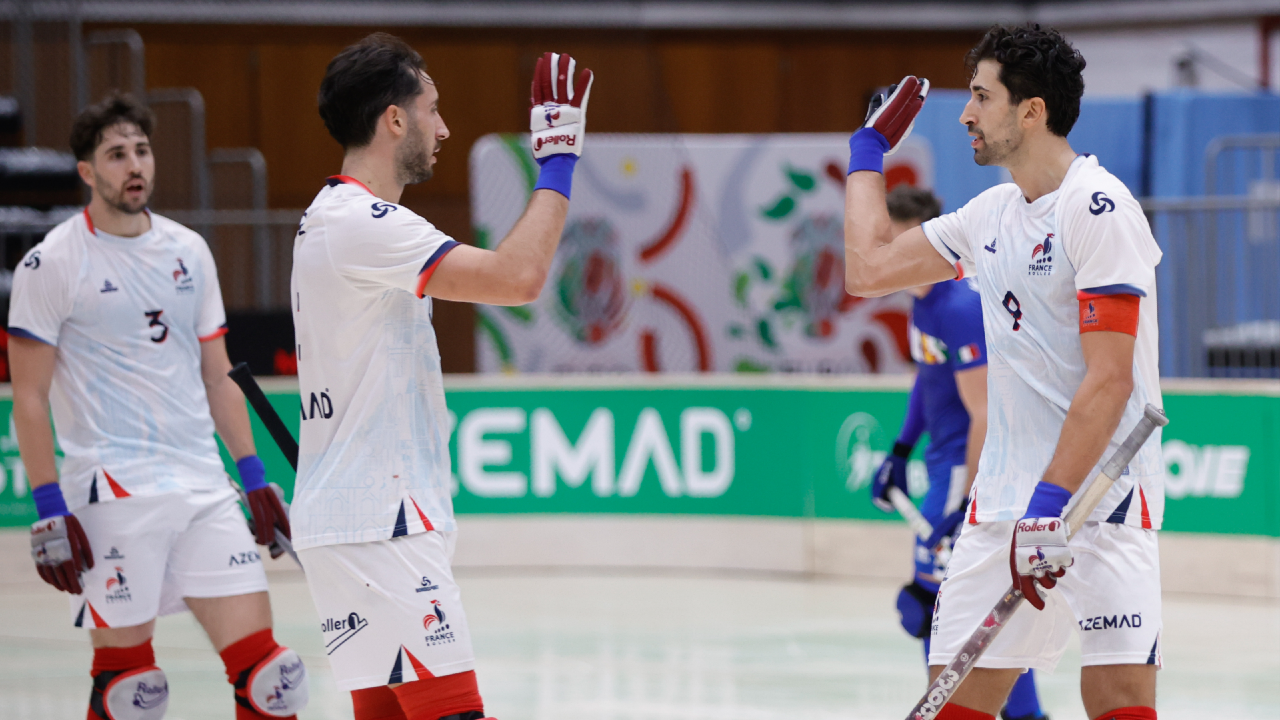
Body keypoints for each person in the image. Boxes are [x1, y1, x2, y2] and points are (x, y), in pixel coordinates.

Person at [844, 24, 1164, 720]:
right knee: (954, 705)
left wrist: (1050, 504)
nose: (966, 113)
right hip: (997, 514)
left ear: (1032, 110)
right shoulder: (986, 216)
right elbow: (867, 271)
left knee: (1119, 703)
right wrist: (866, 153)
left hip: (1098, 504)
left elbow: (1110, 379)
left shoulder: (1099, 208)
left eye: (982, 97)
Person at [290, 33, 591, 720]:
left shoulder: (333, 219)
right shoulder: (361, 223)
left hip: (356, 523)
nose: (445, 128)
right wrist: (557, 159)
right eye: (433, 109)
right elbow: (517, 278)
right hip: (381, 524)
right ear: (395, 119)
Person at [12, 94, 307, 720]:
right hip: (113, 492)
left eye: (142, 151)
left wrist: (254, 476)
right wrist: (48, 509)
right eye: (116, 154)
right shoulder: (52, 261)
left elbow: (218, 376)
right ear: (87, 171)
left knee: (273, 680)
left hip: (203, 486)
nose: (134, 165)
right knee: (130, 694)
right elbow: (29, 398)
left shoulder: (188, 250)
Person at [872, 186, 1048, 720]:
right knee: (937, 608)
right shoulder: (922, 301)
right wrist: (901, 449)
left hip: (963, 473)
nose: (882, 253)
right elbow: (928, 379)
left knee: (941, 609)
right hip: (942, 467)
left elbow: (984, 413)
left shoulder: (958, 307)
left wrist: (969, 500)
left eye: (891, 241)